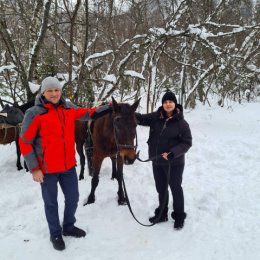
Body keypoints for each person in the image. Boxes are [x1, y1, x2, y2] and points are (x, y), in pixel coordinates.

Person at [19, 76, 112, 250]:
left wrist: (111, 106)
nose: (54, 93)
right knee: (51, 202)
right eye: (50, 90)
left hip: (68, 166)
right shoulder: (34, 113)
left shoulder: (69, 108)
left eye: (56, 90)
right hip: (47, 170)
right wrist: (34, 168)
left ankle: (68, 226)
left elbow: (90, 113)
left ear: (60, 91)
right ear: (43, 92)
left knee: (73, 198)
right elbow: (24, 142)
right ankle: (55, 233)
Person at [135, 91, 192, 230]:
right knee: (161, 188)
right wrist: (124, 108)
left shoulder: (182, 123)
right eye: (165, 102)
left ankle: (179, 216)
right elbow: (140, 118)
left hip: (175, 163)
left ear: (175, 104)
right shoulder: (156, 117)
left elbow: (187, 142)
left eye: (170, 102)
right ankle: (162, 213)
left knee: (175, 188)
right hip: (157, 161)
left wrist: (173, 153)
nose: (167, 104)